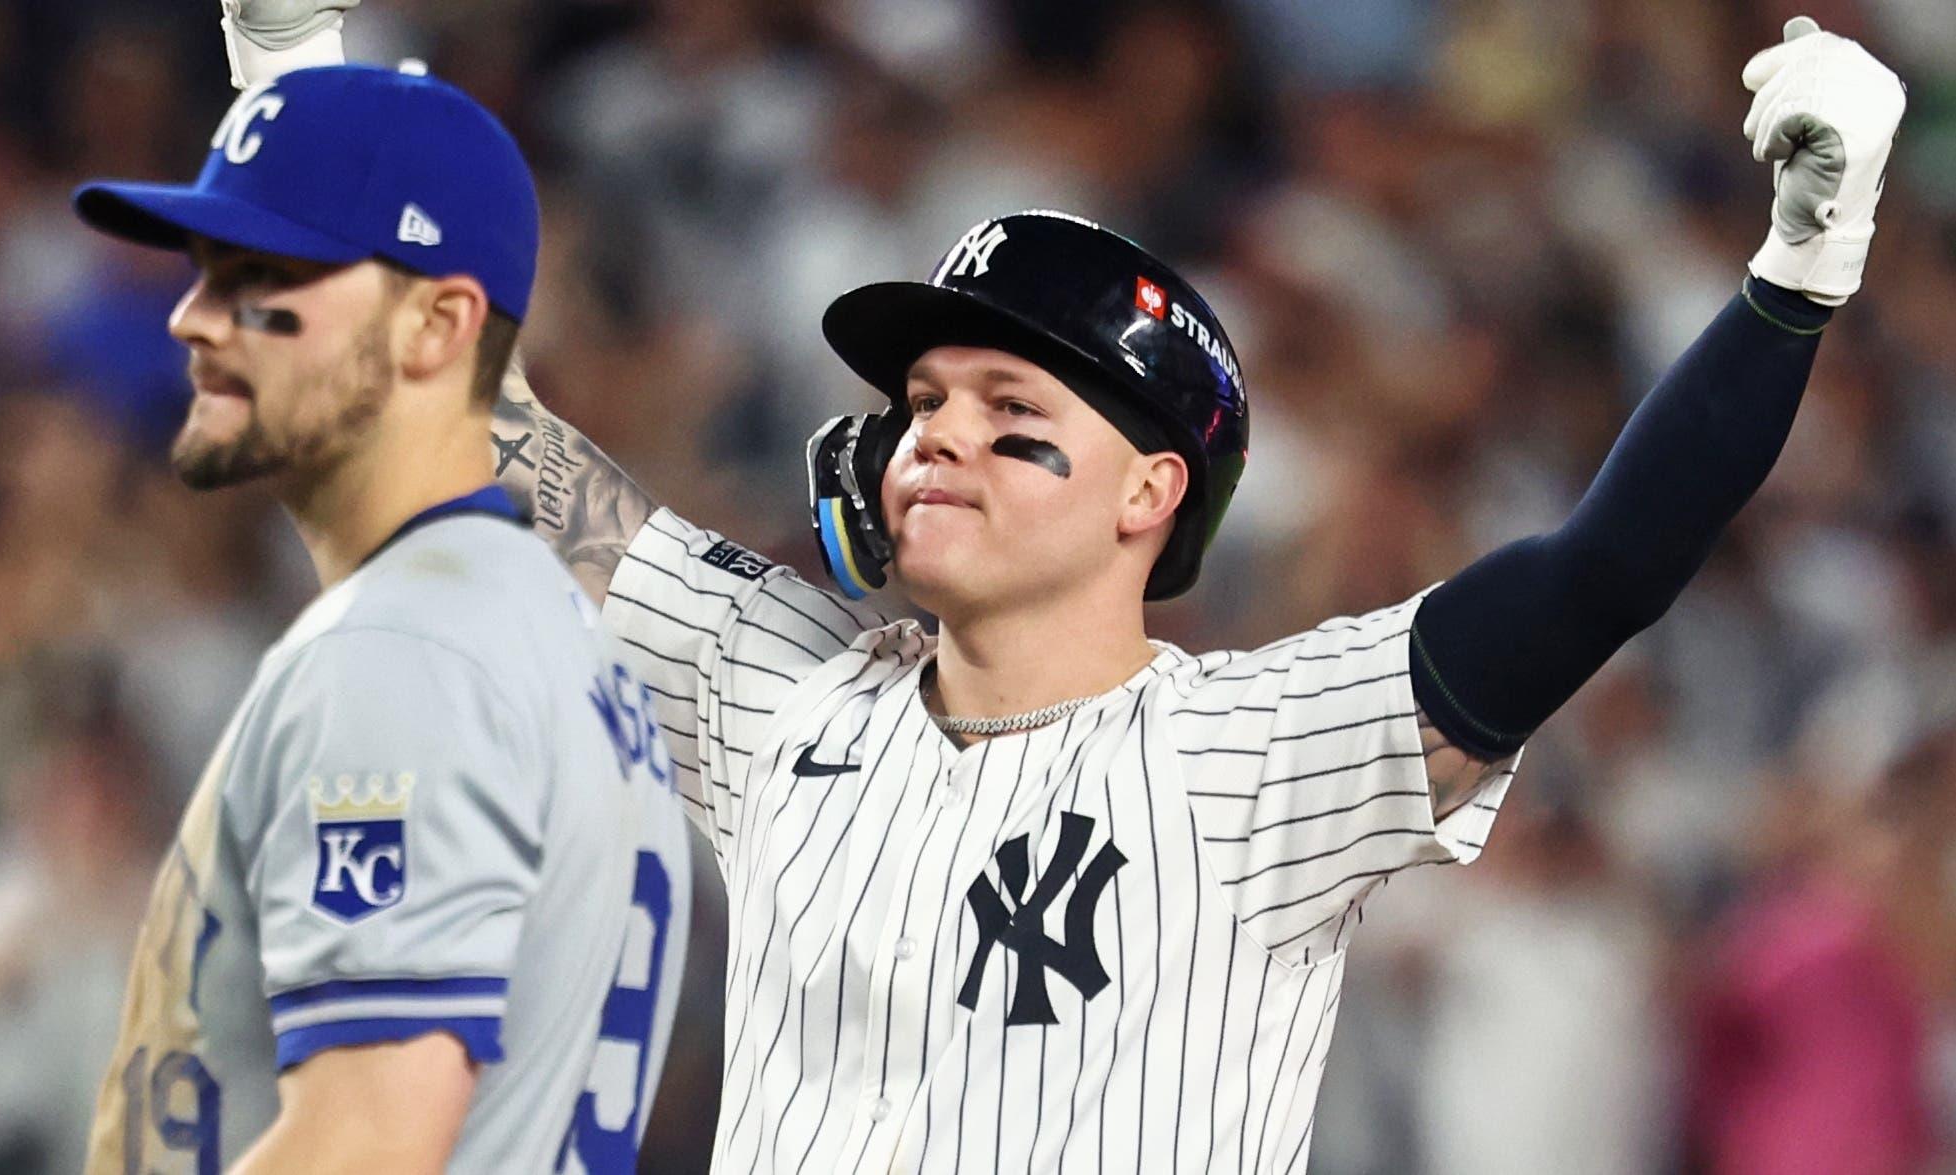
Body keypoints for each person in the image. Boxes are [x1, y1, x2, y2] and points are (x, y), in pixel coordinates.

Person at [234, 5, 1904, 1172]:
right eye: (922, 405)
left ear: (1145, 493)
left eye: (1010, 413)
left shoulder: (1257, 758)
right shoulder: (778, 693)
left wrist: (1794, 276)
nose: (935, 439)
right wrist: (297, 105)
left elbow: (1598, 569)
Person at [68, 62, 691, 1173]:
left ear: (436, 324)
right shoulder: (547, 625)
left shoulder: (403, 648)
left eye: (259, 277)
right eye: (203, 271)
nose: (191, 318)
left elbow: (366, 1140)